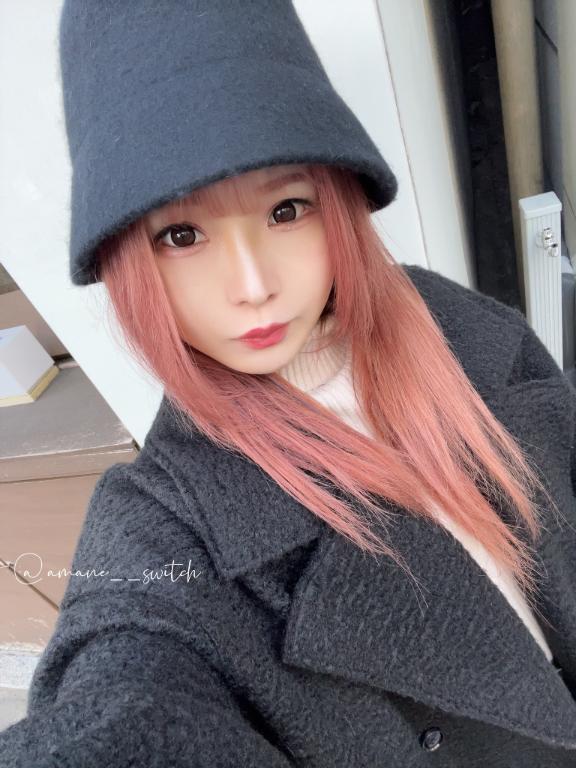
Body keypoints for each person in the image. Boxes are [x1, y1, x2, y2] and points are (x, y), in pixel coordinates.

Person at [1, 1, 576, 766]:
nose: (253, 286)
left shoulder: (447, 319)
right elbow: (124, 694)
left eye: (286, 209)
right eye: (181, 234)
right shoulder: (164, 528)